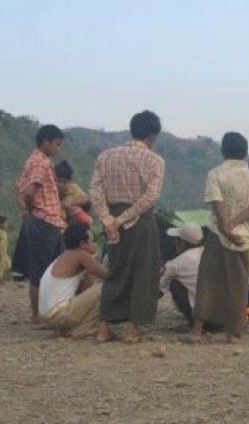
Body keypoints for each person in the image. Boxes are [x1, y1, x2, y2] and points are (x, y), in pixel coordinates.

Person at [90, 110, 165, 343]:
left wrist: (109, 220)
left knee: (115, 271)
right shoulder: (155, 160)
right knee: (144, 272)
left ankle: (104, 328)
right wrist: (123, 219)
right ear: (152, 136)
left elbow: (96, 193)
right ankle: (133, 330)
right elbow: (150, 197)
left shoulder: (105, 157)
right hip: (141, 222)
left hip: (112, 222)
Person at [183, 132, 249, 344]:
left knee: (208, 281)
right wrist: (234, 224)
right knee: (238, 285)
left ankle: (197, 330)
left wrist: (226, 227)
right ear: (245, 152)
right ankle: (234, 333)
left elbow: (217, 203)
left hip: (218, 235)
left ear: (223, 151)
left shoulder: (216, 173)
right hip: (243, 238)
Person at [13, 125, 66, 322]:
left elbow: (18, 187)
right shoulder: (39, 163)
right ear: (46, 142)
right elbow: (28, 192)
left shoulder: (36, 160)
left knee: (50, 267)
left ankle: (47, 311)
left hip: (49, 221)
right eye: (57, 144)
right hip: (44, 220)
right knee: (41, 270)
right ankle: (38, 315)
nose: (58, 148)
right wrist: (31, 211)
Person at [38, 224, 108, 339]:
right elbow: (107, 275)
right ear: (82, 243)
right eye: (91, 241)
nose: (94, 244)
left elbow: (86, 288)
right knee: (107, 288)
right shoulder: (81, 255)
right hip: (60, 314)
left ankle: (70, 328)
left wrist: (88, 270)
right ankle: (83, 328)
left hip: (48, 316)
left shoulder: (63, 257)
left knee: (96, 292)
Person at [159, 224, 205, 324]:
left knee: (174, 281)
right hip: (225, 318)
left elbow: (159, 289)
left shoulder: (176, 264)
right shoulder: (211, 254)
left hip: (204, 321)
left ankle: (193, 321)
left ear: (181, 242)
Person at [55, 161, 92, 226]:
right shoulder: (50, 192)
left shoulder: (73, 188)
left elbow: (86, 200)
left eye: (65, 182)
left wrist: (70, 203)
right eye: (59, 181)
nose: (62, 185)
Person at [0, 216, 12, 282]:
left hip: (4, 253)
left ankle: (0, 278)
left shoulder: (3, 232)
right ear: (1, 224)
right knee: (1, 266)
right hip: (0, 253)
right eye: (6, 223)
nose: (7, 225)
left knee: (8, 265)